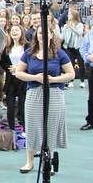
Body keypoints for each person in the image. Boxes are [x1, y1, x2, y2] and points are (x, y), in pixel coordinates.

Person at [14, 27, 74, 174]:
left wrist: (54, 79)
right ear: (37, 36)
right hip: (34, 93)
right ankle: (30, 161)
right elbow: (18, 72)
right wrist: (34, 77)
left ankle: (49, 160)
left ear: (51, 35)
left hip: (54, 93)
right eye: (40, 32)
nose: (43, 35)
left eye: (46, 32)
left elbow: (71, 74)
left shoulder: (60, 54)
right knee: (32, 126)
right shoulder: (29, 54)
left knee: (51, 126)